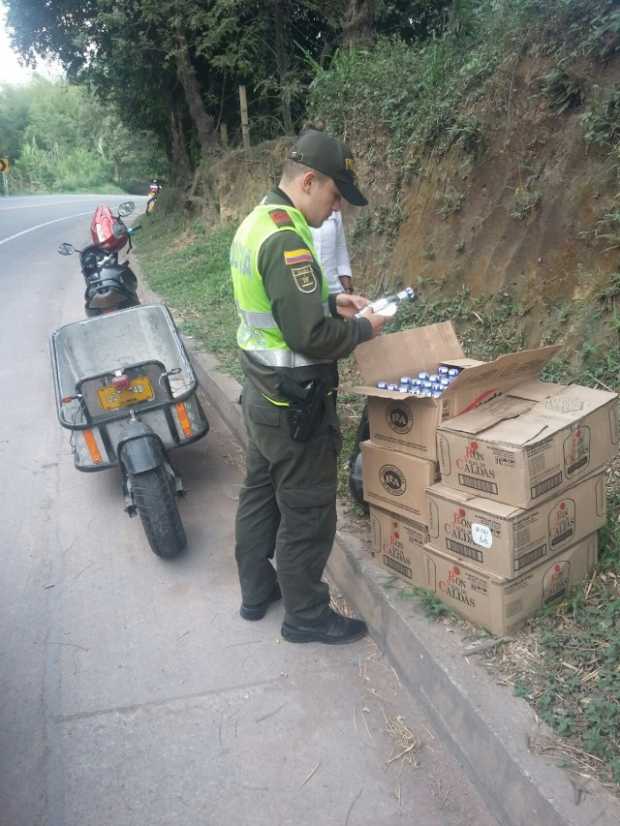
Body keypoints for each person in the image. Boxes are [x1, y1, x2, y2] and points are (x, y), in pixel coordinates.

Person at [230, 128, 385, 645]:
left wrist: (332, 303)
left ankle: (257, 593)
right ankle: (306, 617)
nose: (337, 208)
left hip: (261, 394)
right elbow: (312, 339)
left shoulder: (259, 222)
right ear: (310, 180)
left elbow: (277, 312)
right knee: (307, 511)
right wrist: (363, 328)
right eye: (335, 195)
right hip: (294, 405)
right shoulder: (287, 239)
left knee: (259, 494)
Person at [310, 209, 354, 294]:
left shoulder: (334, 209)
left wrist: (347, 288)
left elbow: (340, 247)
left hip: (335, 291)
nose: (338, 205)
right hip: (306, 294)